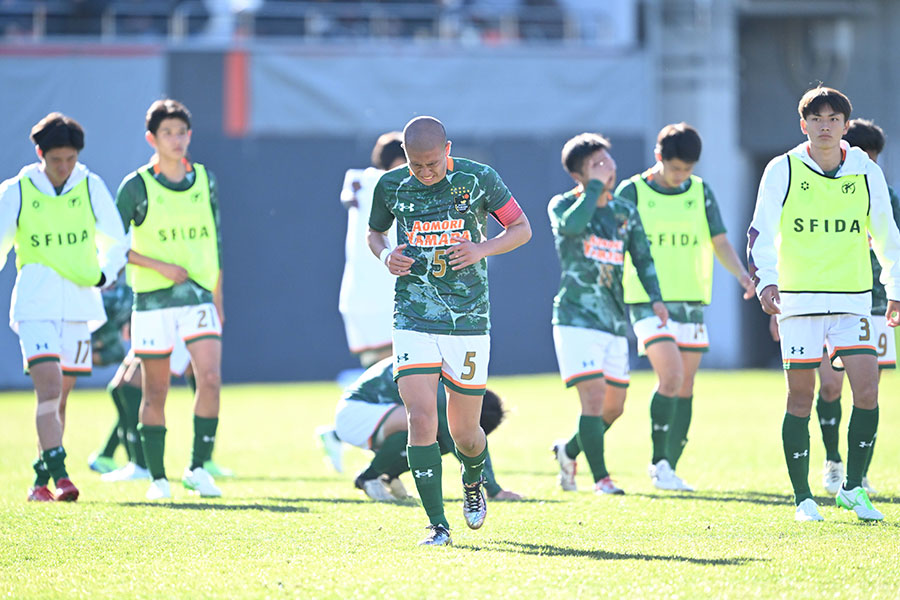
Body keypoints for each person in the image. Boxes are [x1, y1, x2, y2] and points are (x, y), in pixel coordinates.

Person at [367, 116, 531, 546]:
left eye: (433, 164)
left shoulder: (479, 179)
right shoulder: (391, 187)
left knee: (465, 435)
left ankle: (473, 481)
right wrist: (386, 257)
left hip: (468, 319)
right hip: (413, 315)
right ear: (404, 159)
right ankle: (437, 524)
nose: (425, 173)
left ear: (448, 149)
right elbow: (374, 233)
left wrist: (481, 248)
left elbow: (521, 228)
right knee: (420, 420)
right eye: (416, 165)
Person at [748, 86, 900, 522]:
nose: (825, 125)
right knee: (801, 396)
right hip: (798, 302)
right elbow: (760, 230)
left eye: (834, 118)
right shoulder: (784, 168)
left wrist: (895, 288)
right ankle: (803, 498)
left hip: (853, 300)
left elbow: (887, 236)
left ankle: (853, 488)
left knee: (868, 391)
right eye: (817, 118)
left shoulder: (865, 171)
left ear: (846, 126)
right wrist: (767, 284)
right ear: (804, 126)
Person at [615, 122, 755, 491]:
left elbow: (720, 241)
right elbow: (614, 244)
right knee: (671, 377)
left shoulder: (700, 192)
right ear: (658, 157)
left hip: (691, 300)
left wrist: (742, 274)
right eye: (676, 168)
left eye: (688, 170)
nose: (682, 176)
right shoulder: (631, 191)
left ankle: (669, 466)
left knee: (687, 385)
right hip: (646, 300)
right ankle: (659, 463)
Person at [0, 112, 127, 501]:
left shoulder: (90, 185)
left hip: (78, 305)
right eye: (56, 159)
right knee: (50, 388)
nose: (64, 167)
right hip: (34, 306)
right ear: (40, 153)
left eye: (70, 159)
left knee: (62, 396)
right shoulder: (17, 189)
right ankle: (63, 476)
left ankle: (40, 483)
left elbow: (116, 240)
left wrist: (104, 276)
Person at [116, 98, 226, 500]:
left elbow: (215, 243)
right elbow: (113, 246)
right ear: (152, 138)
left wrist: (218, 299)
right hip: (151, 302)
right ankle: (158, 479)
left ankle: (198, 468)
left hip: (198, 298)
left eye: (182, 132)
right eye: (168, 133)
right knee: (155, 392)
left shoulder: (205, 180)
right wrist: (159, 266)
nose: (177, 140)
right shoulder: (136, 186)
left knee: (210, 379)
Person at [548, 133, 668, 496]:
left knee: (614, 408)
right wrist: (593, 190)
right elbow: (571, 226)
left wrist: (657, 298)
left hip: (614, 321)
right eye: (595, 165)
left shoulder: (624, 212)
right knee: (595, 399)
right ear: (578, 175)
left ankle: (568, 451)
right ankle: (601, 479)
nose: (607, 168)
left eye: (607, 161)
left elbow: (643, 258)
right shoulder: (563, 205)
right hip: (576, 317)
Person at [317, 132, 407, 473]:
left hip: (377, 294)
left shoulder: (375, 182)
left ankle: (343, 435)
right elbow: (354, 190)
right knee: (397, 379)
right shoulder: (371, 180)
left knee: (391, 379)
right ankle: (346, 434)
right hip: (376, 296)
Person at [335, 357, 522, 502]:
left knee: (433, 433)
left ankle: (387, 475)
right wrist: (494, 489)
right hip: (355, 413)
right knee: (430, 425)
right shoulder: (443, 383)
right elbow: (460, 439)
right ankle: (369, 477)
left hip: (369, 410)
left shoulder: (445, 373)